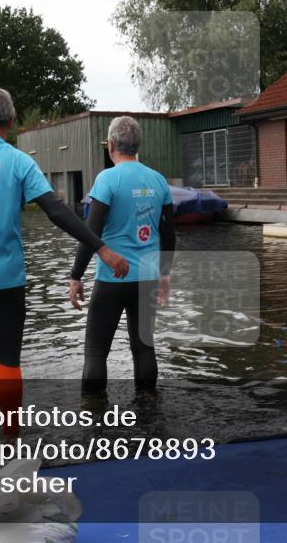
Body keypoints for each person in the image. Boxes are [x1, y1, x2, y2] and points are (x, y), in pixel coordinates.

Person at [0, 88, 129, 447]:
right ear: (11, 123)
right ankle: (12, 441)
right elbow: (57, 211)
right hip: (6, 280)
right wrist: (101, 249)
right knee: (8, 360)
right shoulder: (19, 162)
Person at [68, 116, 176, 395]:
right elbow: (168, 235)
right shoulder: (158, 181)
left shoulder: (107, 179)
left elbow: (90, 232)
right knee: (143, 346)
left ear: (111, 145)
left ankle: (93, 417)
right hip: (148, 276)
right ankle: (148, 412)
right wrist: (165, 273)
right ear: (137, 145)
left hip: (112, 279)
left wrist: (76, 276)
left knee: (95, 351)